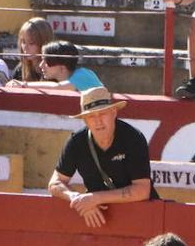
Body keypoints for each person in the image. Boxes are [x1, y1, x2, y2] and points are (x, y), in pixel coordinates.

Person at [48, 86, 159, 228]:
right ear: (85, 121)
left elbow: (142, 190)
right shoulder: (76, 142)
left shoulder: (133, 138)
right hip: (98, 222)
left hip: (140, 218)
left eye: (102, 114)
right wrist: (77, 199)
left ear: (114, 112)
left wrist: (94, 198)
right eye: (91, 116)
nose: (98, 121)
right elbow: (55, 183)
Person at [6, 40, 103, 92]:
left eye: (46, 62)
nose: (41, 65)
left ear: (62, 68)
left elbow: (57, 87)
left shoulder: (82, 74)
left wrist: (23, 85)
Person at [10, 16, 53, 82]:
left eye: (31, 43)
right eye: (23, 42)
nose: (25, 47)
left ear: (43, 42)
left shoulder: (54, 69)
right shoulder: (20, 69)